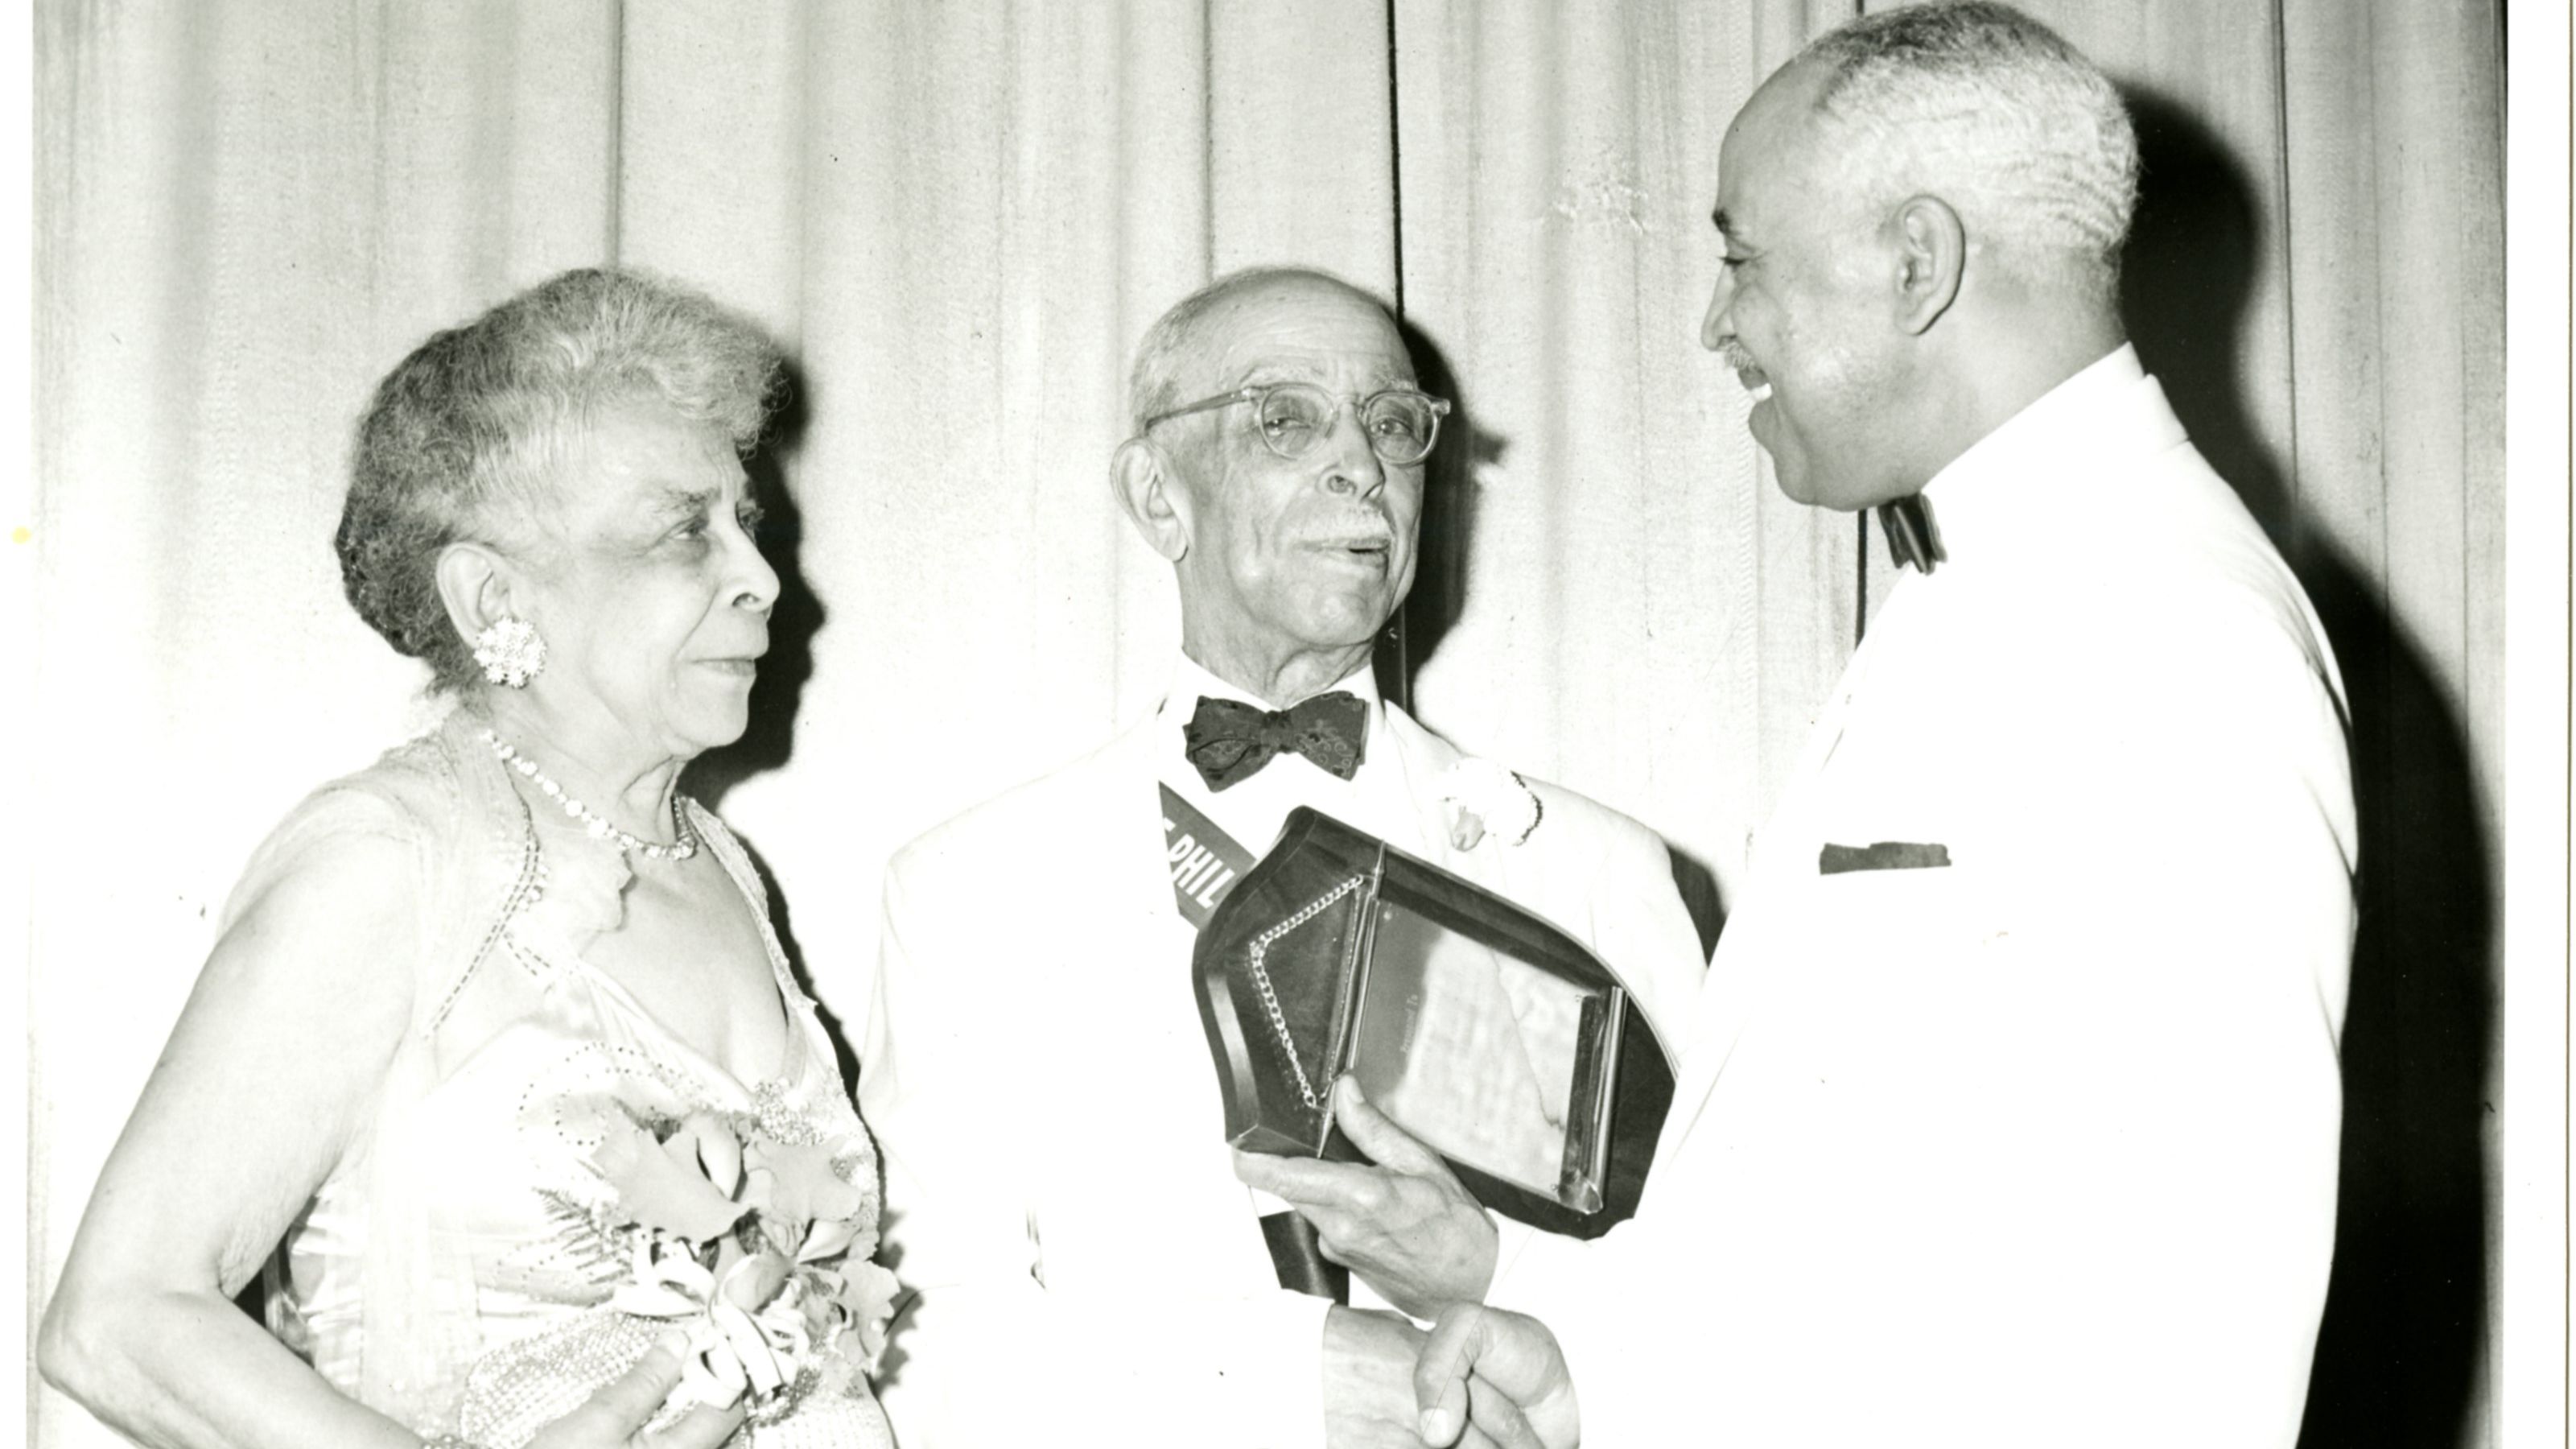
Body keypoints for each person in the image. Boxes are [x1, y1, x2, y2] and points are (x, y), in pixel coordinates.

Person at [1269, 6, 2359, 1446]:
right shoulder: (1981, 588)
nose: (1717, 323)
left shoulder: (2167, 631)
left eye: (1740, 260)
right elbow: (1888, 1247)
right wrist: (1585, 1360)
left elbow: (2185, 1342)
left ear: (1916, 263)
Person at [39, 269, 898, 1449]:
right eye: (681, 530)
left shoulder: (719, 863)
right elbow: (118, 1320)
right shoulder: (395, 859)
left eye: (742, 523)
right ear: (496, 595)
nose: (759, 576)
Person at [858, 266, 1707, 1448]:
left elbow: (1719, 1302)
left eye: (1392, 423)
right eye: (1284, 418)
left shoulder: (1599, 871)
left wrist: (1495, 1290)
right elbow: (921, 1338)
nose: (1359, 463)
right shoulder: (967, 887)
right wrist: (1277, 1384)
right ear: (1158, 497)